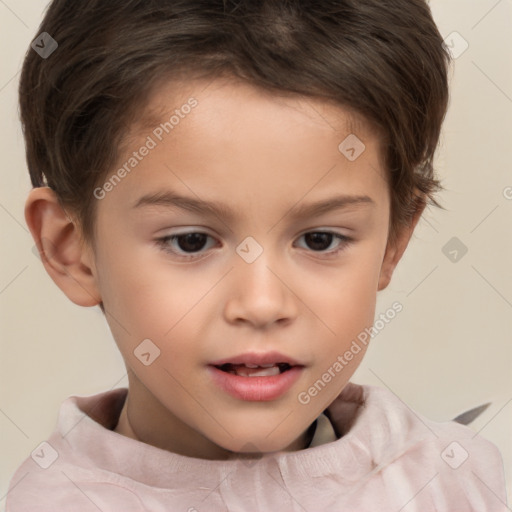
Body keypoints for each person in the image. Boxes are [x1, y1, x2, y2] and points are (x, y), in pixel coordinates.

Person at [6, 0, 507, 510]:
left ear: (394, 240)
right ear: (70, 249)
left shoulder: (458, 483)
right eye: (191, 241)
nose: (263, 303)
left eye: (320, 239)